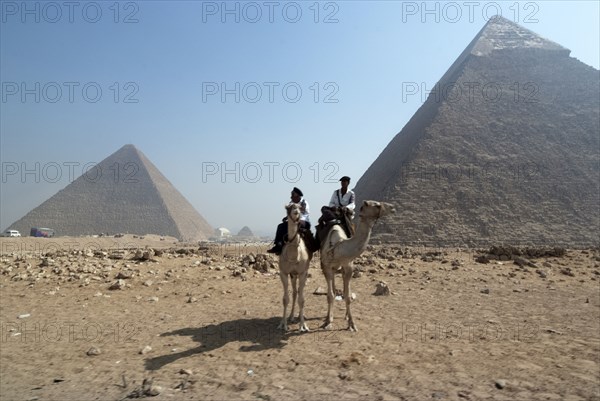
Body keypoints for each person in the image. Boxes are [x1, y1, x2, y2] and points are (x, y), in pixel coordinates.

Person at [267, 187, 311, 255]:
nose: (291, 197)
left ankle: (311, 247)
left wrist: (298, 219)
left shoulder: (304, 202)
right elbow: (290, 213)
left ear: (297, 196)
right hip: (293, 221)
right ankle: (278, 245)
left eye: (292, 195)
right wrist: (286, 217)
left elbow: (305, 213)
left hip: (304, 221)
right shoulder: (291, 203)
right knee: (280, 226)